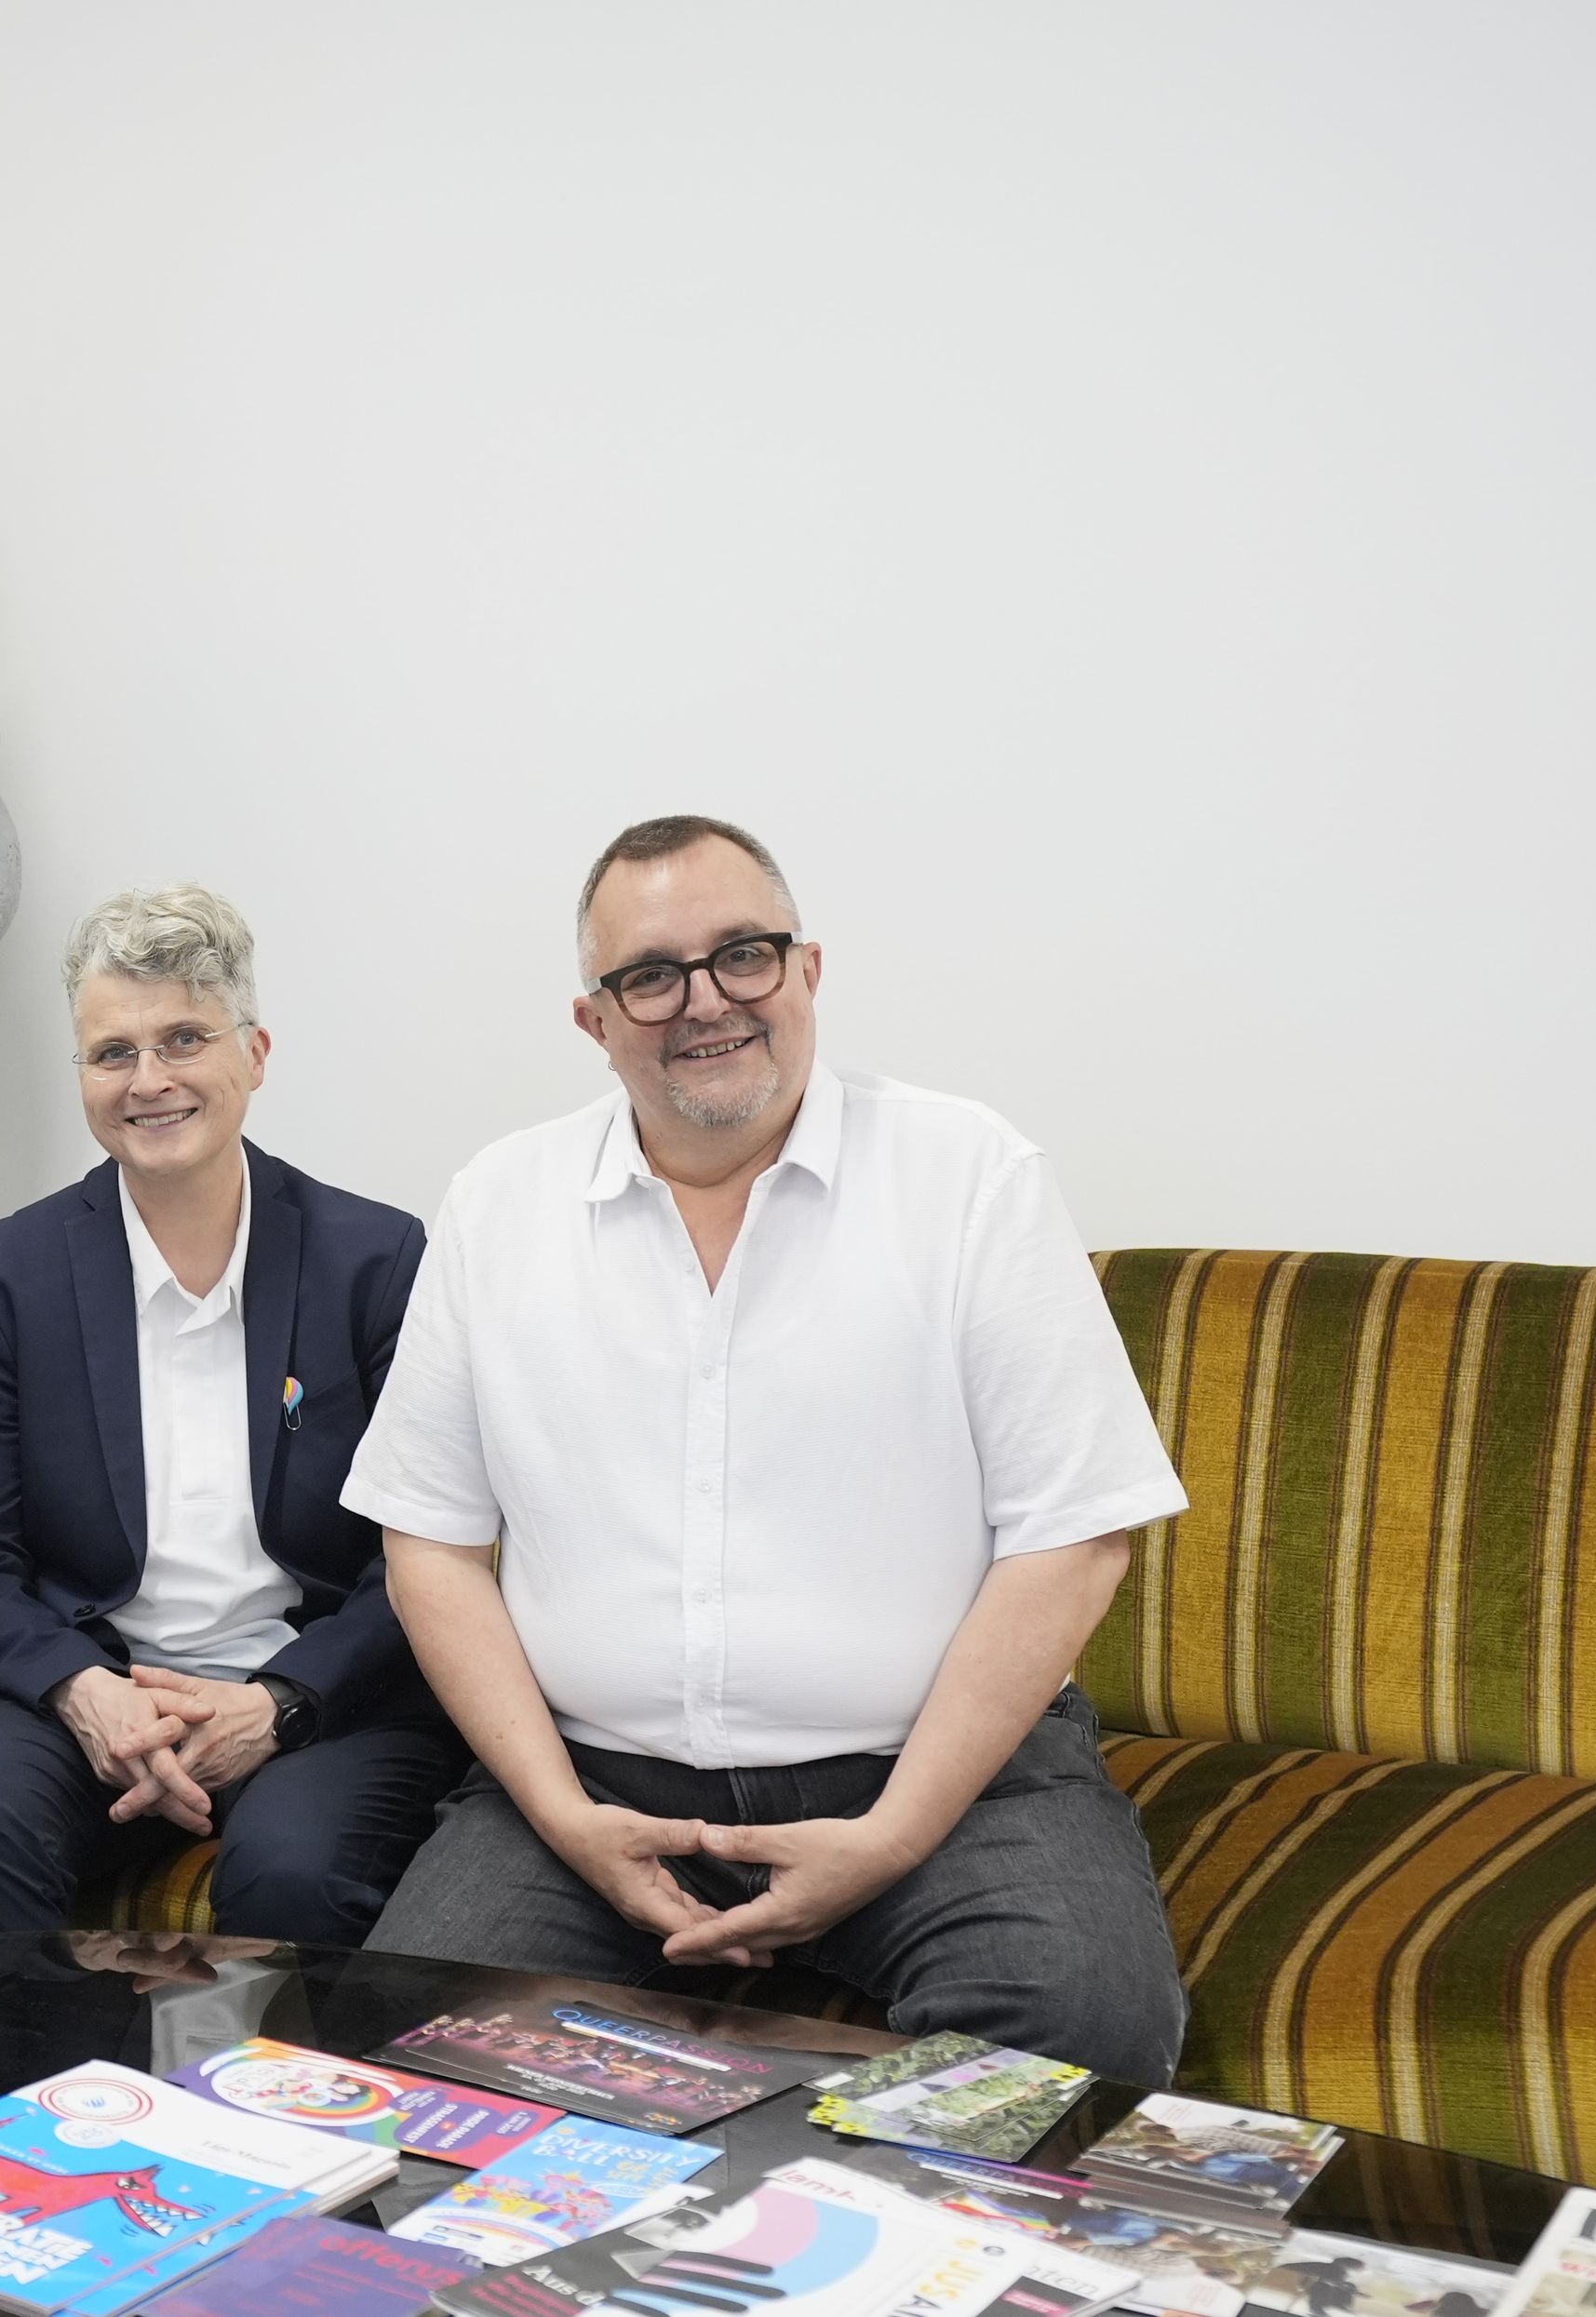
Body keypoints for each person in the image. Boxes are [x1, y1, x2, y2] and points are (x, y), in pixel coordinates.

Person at [347, 814, 1190, 2081]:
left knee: (1079, 2037)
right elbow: (432, 1546)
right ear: (594, 1018)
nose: (706, 1002)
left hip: (947, 1785)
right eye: (652, 973)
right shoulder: (498, 1204)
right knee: (416, 2053)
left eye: (743, 953)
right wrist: (568, 1818)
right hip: (590, 1786)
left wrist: (897, 1831)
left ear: (807, 967)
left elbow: (1075, 1539)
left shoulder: (969, 1174)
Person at [0, 885, 464, 1947]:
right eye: (112, 1053)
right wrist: (84, 1695)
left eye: (183, 1040)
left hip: (315, 1701)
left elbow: (425, 1558)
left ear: (253, 1052)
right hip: (86, 1689)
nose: (147, 1081)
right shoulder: (4, 1278)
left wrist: (277, 1705)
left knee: (298, 1869)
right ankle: (7, 2116)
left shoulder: (374, 1262)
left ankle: (293, 2118)